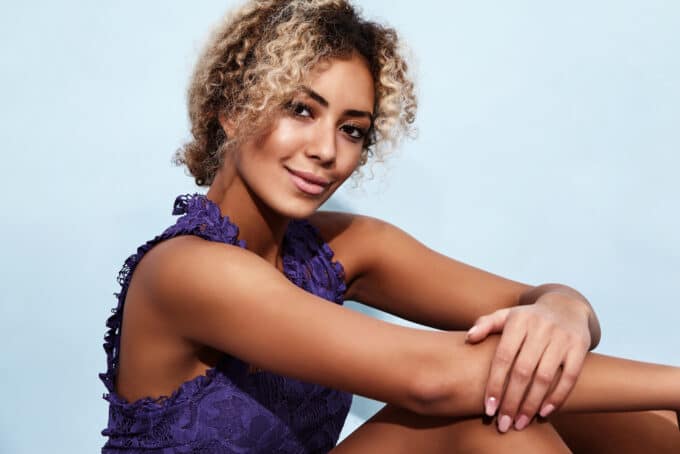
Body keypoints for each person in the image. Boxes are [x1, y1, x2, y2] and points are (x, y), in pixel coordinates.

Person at [100, 0, 680, 452]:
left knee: (551, 410)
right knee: (493, 415)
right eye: (301, 110)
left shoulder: (346, 248)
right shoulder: (186, 271)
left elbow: (540, 301)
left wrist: (561, 311)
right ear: (232, 107)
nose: (327, 150)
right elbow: (431, 379)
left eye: (352, 129)